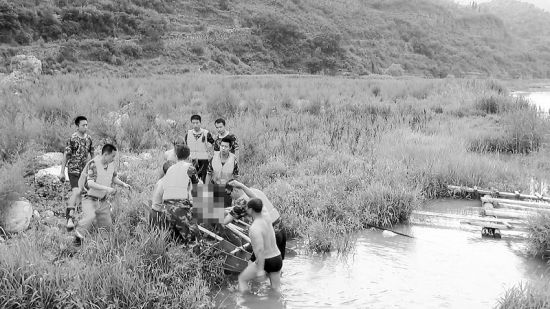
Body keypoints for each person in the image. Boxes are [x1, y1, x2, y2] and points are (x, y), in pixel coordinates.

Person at [73, 144, 131, 246]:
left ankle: (104, 247)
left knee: (107, 225)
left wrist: (123, 184)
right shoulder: (94, 164)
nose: (114, 159)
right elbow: (90, 183)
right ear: (105, 155)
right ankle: (77, 239)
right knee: (90, 217)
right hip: (89, 198)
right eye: (112, 156)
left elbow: (113, 178)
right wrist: (107, 189)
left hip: (102, 200)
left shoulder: (111, 165)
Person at [224, 180, 287, 260]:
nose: (230, 197)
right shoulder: (255, 191)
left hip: (270, 234)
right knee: (278, 264)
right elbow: (242, 207)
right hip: (281, 227)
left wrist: (212, 215)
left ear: (235, 190)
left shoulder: (241, 203)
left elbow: (225, 221)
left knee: (260, 263)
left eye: (229, 194)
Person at [150, 144, 200, 244]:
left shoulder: (170, 170)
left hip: (166, 208)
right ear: (189, 157)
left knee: (172, 237)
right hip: (180, 208)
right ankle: (195, 253)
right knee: (193, 236)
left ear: (176, 156)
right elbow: (195, 188)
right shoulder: (189, 168)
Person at [238, 198, 282, 293]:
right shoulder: (267, 216)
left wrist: (260, 270)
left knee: (242, 280)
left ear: (251, 210)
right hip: (277, 258)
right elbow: (256, 199)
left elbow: (260, 250)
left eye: (247, 208)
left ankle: (249, 304)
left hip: (266, 260)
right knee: (276, 289)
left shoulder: (254, 228)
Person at [59, 116, 93, 232]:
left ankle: (80, 218)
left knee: (84, 194)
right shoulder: (72, 139)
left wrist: (93, 169)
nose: (86, 127)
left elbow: (91, 155)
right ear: (77, 126)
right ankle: (69, 219)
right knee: (76, 192)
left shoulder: (89, 139)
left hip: (84, 172)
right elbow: (66, 155)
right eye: (83, 125)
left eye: (86, 125)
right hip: (73, 170)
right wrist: (62, 172)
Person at [205, 136, 239, 207]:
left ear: (230, 148)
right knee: (211, 211)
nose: (223, 148)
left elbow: (236, 177)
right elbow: (208, 174)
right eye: (222, 146)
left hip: (226, 190)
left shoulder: (234, 160)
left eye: (226, 147)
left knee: (224, 213)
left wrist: (234, 192)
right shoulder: (214, 157)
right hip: (214, 187)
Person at [184, 115, 215, 183]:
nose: (195, 125)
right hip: (191, 160)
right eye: (193, 123)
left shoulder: (206, 133)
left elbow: (213, 144)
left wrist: (211, 155)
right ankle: (193, 193)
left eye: (197, 123)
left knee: (203, 179)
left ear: (200, 123)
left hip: (204, 161)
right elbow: (185, 147)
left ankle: (203, 193)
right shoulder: (188, 134)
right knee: (192, 179)